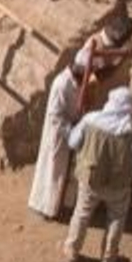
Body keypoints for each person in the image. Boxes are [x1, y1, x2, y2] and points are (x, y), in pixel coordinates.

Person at [63, 86, 132, 262]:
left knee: (81, 215)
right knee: (116, 220)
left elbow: (73, 142)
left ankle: (71, 253)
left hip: (90, 179)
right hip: (119, 185)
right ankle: (108, 259)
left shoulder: (90, 120)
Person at [27, 52, 87, 220]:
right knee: (52, 171)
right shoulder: (62, 84)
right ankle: (46, 207)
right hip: (58, 134)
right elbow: (55, 115)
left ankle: (61, 206)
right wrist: (71, 131)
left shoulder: (75, 81)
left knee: (65, 173)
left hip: (68, 132)